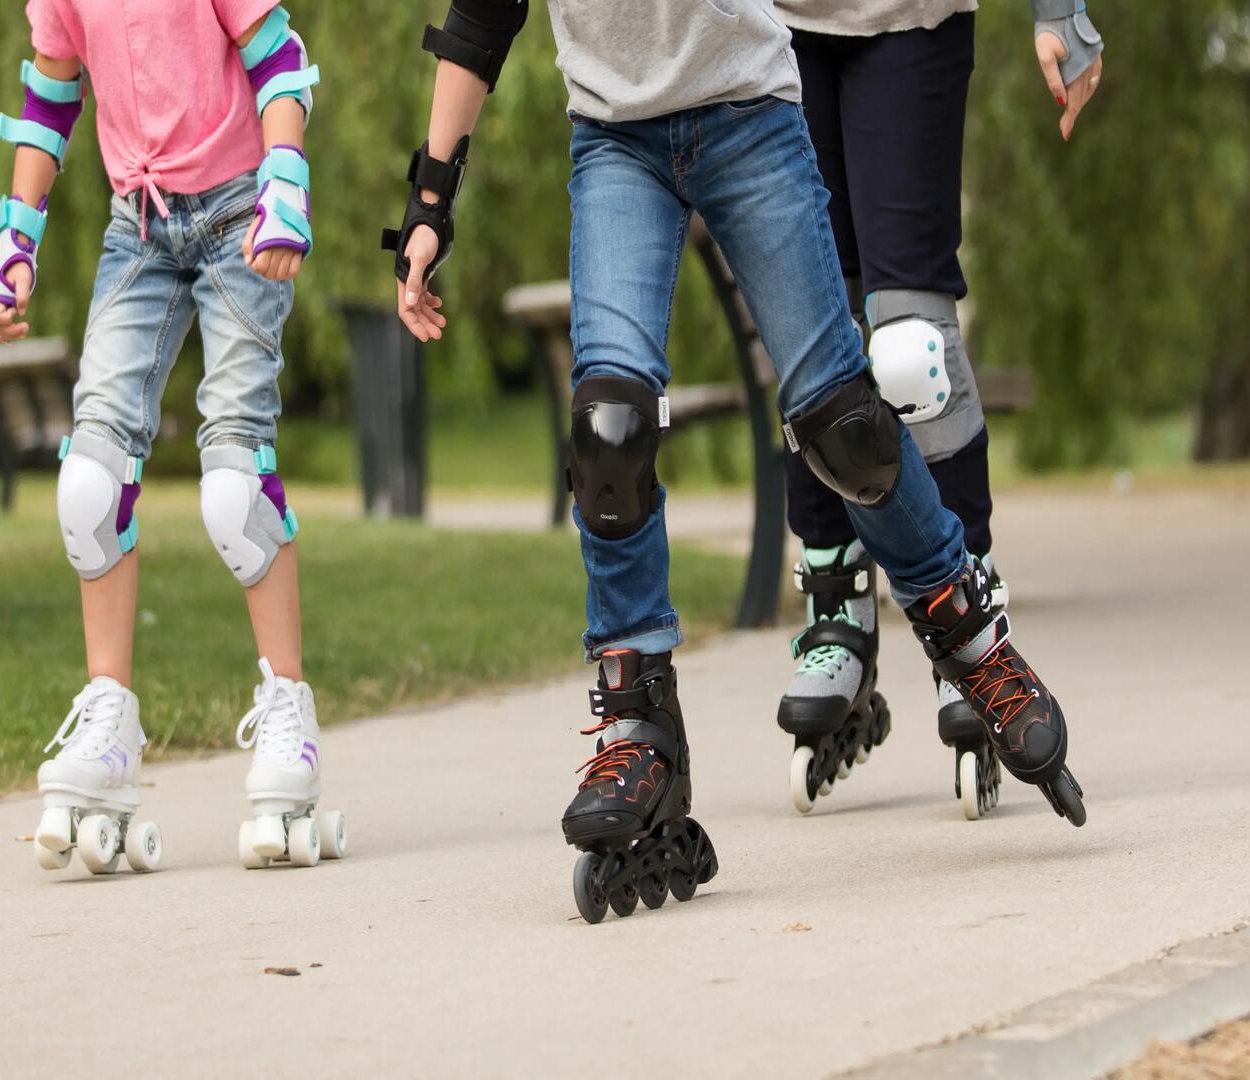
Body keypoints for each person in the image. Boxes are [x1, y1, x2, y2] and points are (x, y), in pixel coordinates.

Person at [383, 0, 1085, 923]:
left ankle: (971, 639)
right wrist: (429, 204)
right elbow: (479, 19)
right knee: (609, 434)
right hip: (615, 141)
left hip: (750, 115)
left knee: (845, 427)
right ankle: (637, 721)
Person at [0, 0, 344, 876]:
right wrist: (16, 231)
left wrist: (286, 181)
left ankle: (289, 717)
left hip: (239, 222)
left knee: (232, 485)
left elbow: (278, 60)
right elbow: (50, 94)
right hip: (137, 228)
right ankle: (109, 721)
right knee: (88, 484)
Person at [771, 1, 1104, 820]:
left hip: (909, 21)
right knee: (810, 329)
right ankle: (835, 603)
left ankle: (967, 599)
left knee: (909, 342)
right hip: (762, 29)